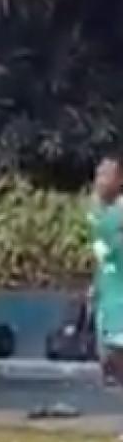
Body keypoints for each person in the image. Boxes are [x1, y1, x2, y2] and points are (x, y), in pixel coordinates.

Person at [90, 155, 123, 385]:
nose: (100, 181)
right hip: (107, 296)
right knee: (107, 365)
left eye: (106, 175)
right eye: (98, 174)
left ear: (119, 179)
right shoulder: (96, 212)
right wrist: (95, 284)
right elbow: (102, 255)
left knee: (114, 359)